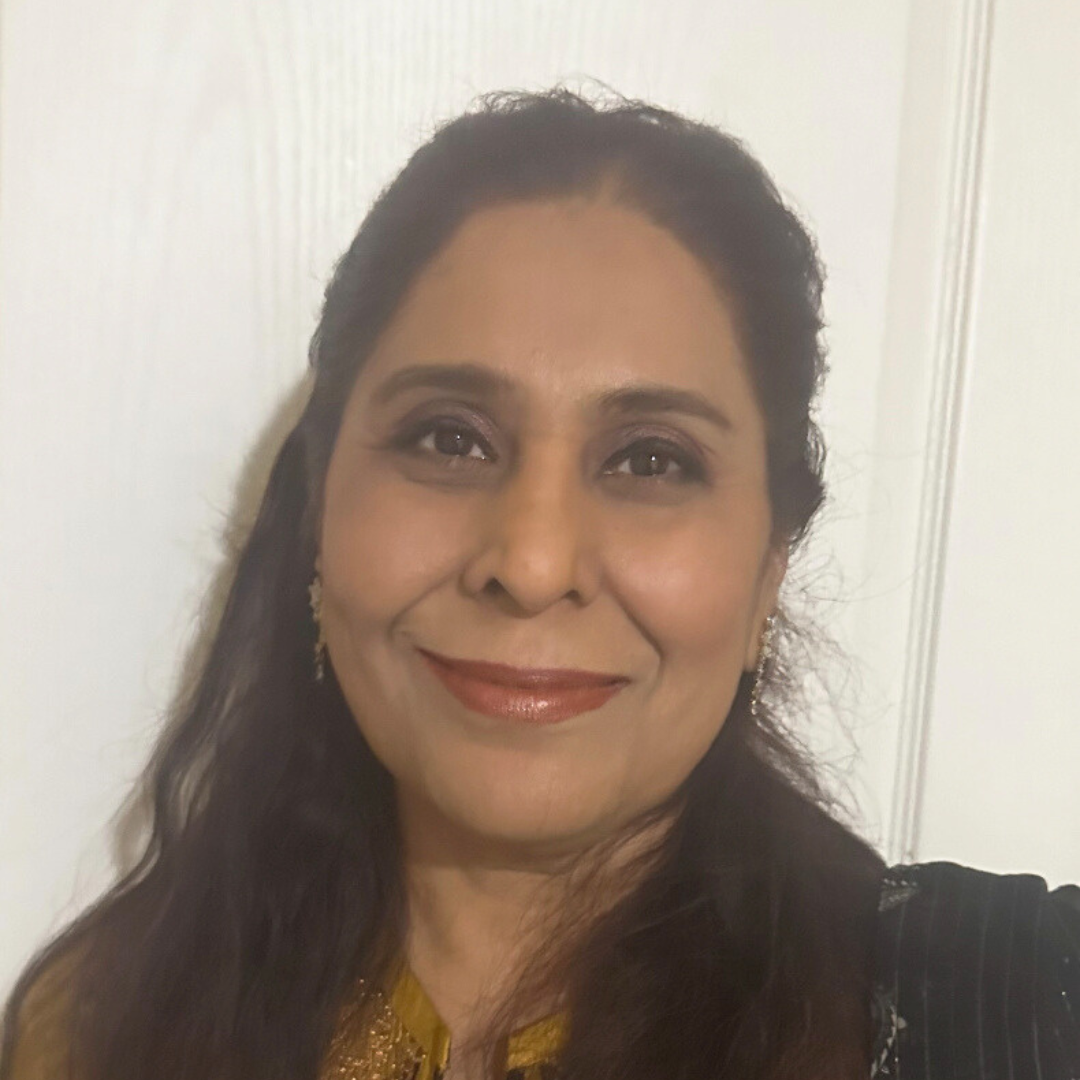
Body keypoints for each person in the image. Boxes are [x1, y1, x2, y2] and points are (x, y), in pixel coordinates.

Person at [2, 87, 1077, 1080]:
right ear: (318, 521)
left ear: (767, 575)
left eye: (650, 459)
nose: (530, 564)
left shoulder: (1018, 1021)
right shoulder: (93, 1032)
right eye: (449, 438)